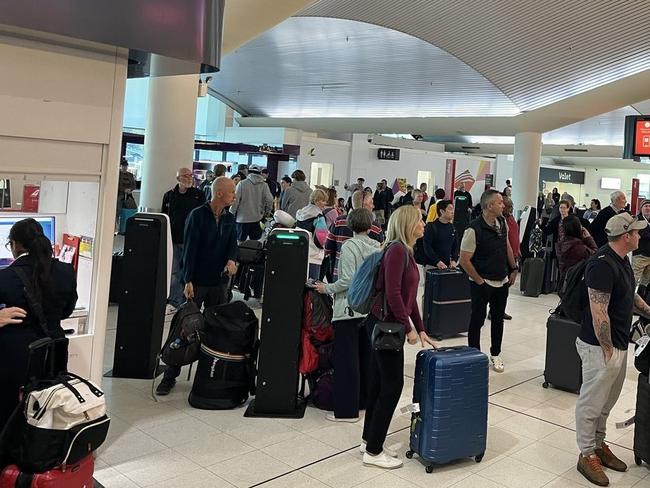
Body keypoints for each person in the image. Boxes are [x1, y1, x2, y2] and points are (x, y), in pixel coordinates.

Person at [574, 213, 650, 486]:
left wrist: (647, 310)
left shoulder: (622, 260)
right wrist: (607, 349)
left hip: (617, 344)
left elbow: (629, 294)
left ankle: (598, 444)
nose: (641, 236)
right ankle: (586, 454)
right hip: (599, 347)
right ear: (626, 236)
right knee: (591, 403)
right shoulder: (602, 265)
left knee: (606, 403)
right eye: (637, 232)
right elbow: (598, 312)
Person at [361, 205, 438, 469]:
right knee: (392, 387)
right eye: (419, 221)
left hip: (389, 324)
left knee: (380, 384)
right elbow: (393, 294)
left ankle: (368, 440)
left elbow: (409, 298)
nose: (423, 225)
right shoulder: (396, 251)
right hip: (387, 327)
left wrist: (421, 328)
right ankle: (373, 451)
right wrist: (407, 329)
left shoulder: (405, 252)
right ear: (407, 224)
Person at [156, 177, 239, 396]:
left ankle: (209, 373)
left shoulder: (230, 219)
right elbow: (189, 249)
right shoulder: (198, 216)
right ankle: (169, 375)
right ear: (219, 193)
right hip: (197, 281)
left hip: (218, 283)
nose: (234, 196)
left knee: (216, 328)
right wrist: (187, 280)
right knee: (185, 327)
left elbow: (232, 245)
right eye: (232, 192)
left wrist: (231, 259)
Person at [0, 218, 77, 429]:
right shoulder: (66, 271)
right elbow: (67, 310)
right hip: (53, 354)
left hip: (15, 359)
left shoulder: (5, 278)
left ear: (15, 244)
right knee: (48, 408)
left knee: (9, 411)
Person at [314, 208, 379, 422]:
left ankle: (346, 410)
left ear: (349, 225)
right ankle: (363, 402)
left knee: (346, 362)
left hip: (348, 309)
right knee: (365, 359)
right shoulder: (377, 247)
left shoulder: (350, 246)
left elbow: (348, 281)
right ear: (371, 225)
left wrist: (327, 288)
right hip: (368, 309)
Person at [459, 190, 518, 373]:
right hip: (482, 282)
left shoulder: (502, 223)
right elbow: (464, 259)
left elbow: (506, 245)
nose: (504, 205)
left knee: (498, 319)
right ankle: (474, 355)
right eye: (500, 203)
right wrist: (479, 281)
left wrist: (514, 267)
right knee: (477, 319)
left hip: (501, 281)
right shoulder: (474, 229)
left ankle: (496, 353)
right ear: (489, 206)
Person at [161, 167, 206, 311]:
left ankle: (189, 300)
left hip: (192, 240)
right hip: (174, 239)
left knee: (189, 271)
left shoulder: (198, 195)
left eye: (190, 176)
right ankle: (174, 301)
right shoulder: (169, 196)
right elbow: (165, 216)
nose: (188, 178)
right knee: (175, 271)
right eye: (185, 176)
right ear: (178, 178)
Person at [324, 190, 384, 281]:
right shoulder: (375, 227)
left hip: (340, 275)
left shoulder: (339, 222)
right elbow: (381, 253)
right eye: (371, 203)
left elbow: (328, 248)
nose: (373, 206)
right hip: (365, 278)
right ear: (363, 205)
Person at [230, 165, 273, 241]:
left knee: (240, 243)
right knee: (254, 243)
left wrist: (231, 213)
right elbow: (269, 199)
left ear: (249, 172)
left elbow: (235, 201)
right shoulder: (264, 185)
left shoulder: (242, 184)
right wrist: (267, 212)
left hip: (242, 219)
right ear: (259, 173)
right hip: (257, 219)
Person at [296, 188, 329, 280]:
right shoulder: (319, 217)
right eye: (323, 201)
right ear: (317, 201)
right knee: (312, 287)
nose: (325, 203)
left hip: (299, 254)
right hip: (313, 257)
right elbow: (322, 240)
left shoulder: (300, 213)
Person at [418, 200, 458, 268]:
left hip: (447, 266)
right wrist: (437, 261)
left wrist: (454, 260)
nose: (453, 212)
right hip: (431, 266)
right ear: (442, 211)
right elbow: (427, 247)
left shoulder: (452, 228)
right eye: (450, 209)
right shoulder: (431, 227)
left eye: (453, 209)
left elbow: (455, 247)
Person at [556, 215, 597, 280]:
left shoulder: (561, 244)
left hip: (566, 281)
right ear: (577, 227)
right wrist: (589, 238)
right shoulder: (579, 247)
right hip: (577, 282)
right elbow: (595, 256)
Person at [633, 200, 650, 297]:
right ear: (641, 208)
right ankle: (629, 302)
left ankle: (641, 301)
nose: (648, 208)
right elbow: (643, 234)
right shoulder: (637, 220)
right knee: (634, 280)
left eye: (649, 206)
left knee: (646, 281)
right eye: (645, 206)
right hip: (640, 256)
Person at [116, 158, 137, 230]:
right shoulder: (117, 174)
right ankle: (116, 228)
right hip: (120, 194)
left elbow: (134, 185)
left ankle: (126, 227)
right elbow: (117, 185)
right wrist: (124, 190)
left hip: (129, 195)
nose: (125, 167)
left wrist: (130, 189)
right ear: (121, 166)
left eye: (126, 166)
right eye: (123, 166)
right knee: (118, 211)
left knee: (131, 209)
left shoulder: (130, 175)